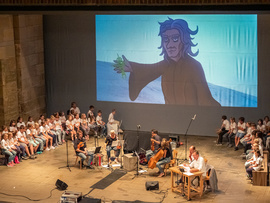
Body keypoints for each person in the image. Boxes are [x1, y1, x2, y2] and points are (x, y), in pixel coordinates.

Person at [114, 18, 220, 106]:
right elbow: (149, 69)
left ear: (184, 40)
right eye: (166, 39)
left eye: (175, 39)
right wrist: (132, 67)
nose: (169, 45)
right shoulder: (165, 65)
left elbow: (205, 99)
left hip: (191, 120)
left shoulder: (194, 66)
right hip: (171, 117)